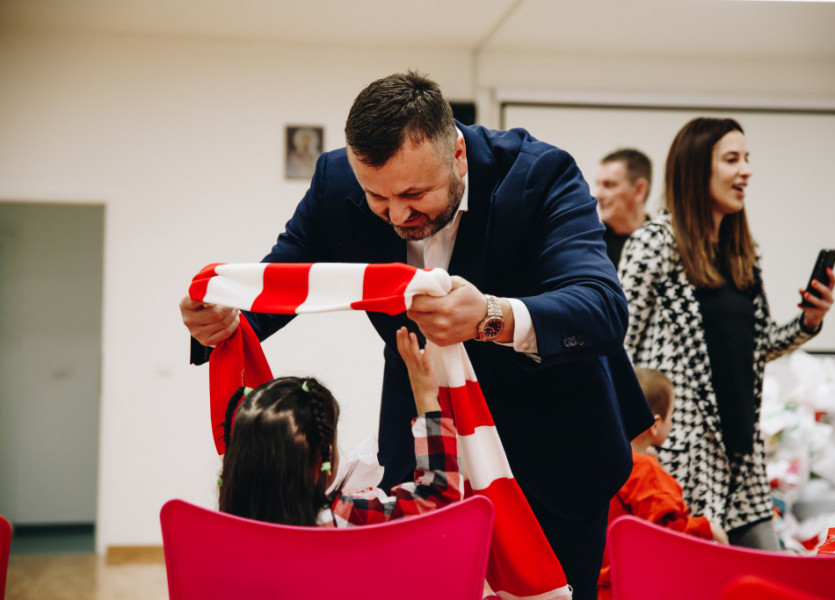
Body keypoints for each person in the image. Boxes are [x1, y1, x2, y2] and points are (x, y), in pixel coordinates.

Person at [181, 70, 652, 597]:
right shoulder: (337, 180)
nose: (398, 215)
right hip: (422, 437)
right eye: (378, 199)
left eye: (414, 193)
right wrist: (225, 320)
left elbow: (601, 307)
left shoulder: (540, 173)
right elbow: (283, 280)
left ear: (458, 155)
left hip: (551, 443)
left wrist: (490, 316)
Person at [618, 117, 835, 551]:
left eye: (746, 159)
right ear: (697, 168)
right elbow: (618, 347)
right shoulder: (654, 243)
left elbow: (758, 348)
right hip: (681, 459)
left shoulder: (743, 253)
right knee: (695, 578)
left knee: (769, 572)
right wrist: (637, 443)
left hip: (743, 458)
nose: (746, 171)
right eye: (732, 159)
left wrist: (808, 322)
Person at [219, 327, 461, 526]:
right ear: (325, 462)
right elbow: (438, 500)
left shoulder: (222, 534)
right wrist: (425, 397)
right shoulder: (341, 519)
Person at [597, 367, 728, 600]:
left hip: (600, 585)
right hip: (637, 586)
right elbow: (670, 531)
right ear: (655, 423)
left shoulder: (603, 461)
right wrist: (708, 528)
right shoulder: (645, 470)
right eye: (672, 415)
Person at [595, 148, 652, 268]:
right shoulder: (591, 245)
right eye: (598, 185)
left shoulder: (667, 244)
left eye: (609, 185)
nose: (598, 195)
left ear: (639, 190)